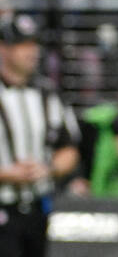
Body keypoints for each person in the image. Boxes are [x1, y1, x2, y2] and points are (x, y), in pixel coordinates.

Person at [0, 15, 80, 257]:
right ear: (2, 49)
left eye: (33, 44)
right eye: (22, 44)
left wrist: (48, 168)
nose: (31, 52)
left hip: (37, 208)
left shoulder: (47, 94)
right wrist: (6, 174)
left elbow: (68, 148)